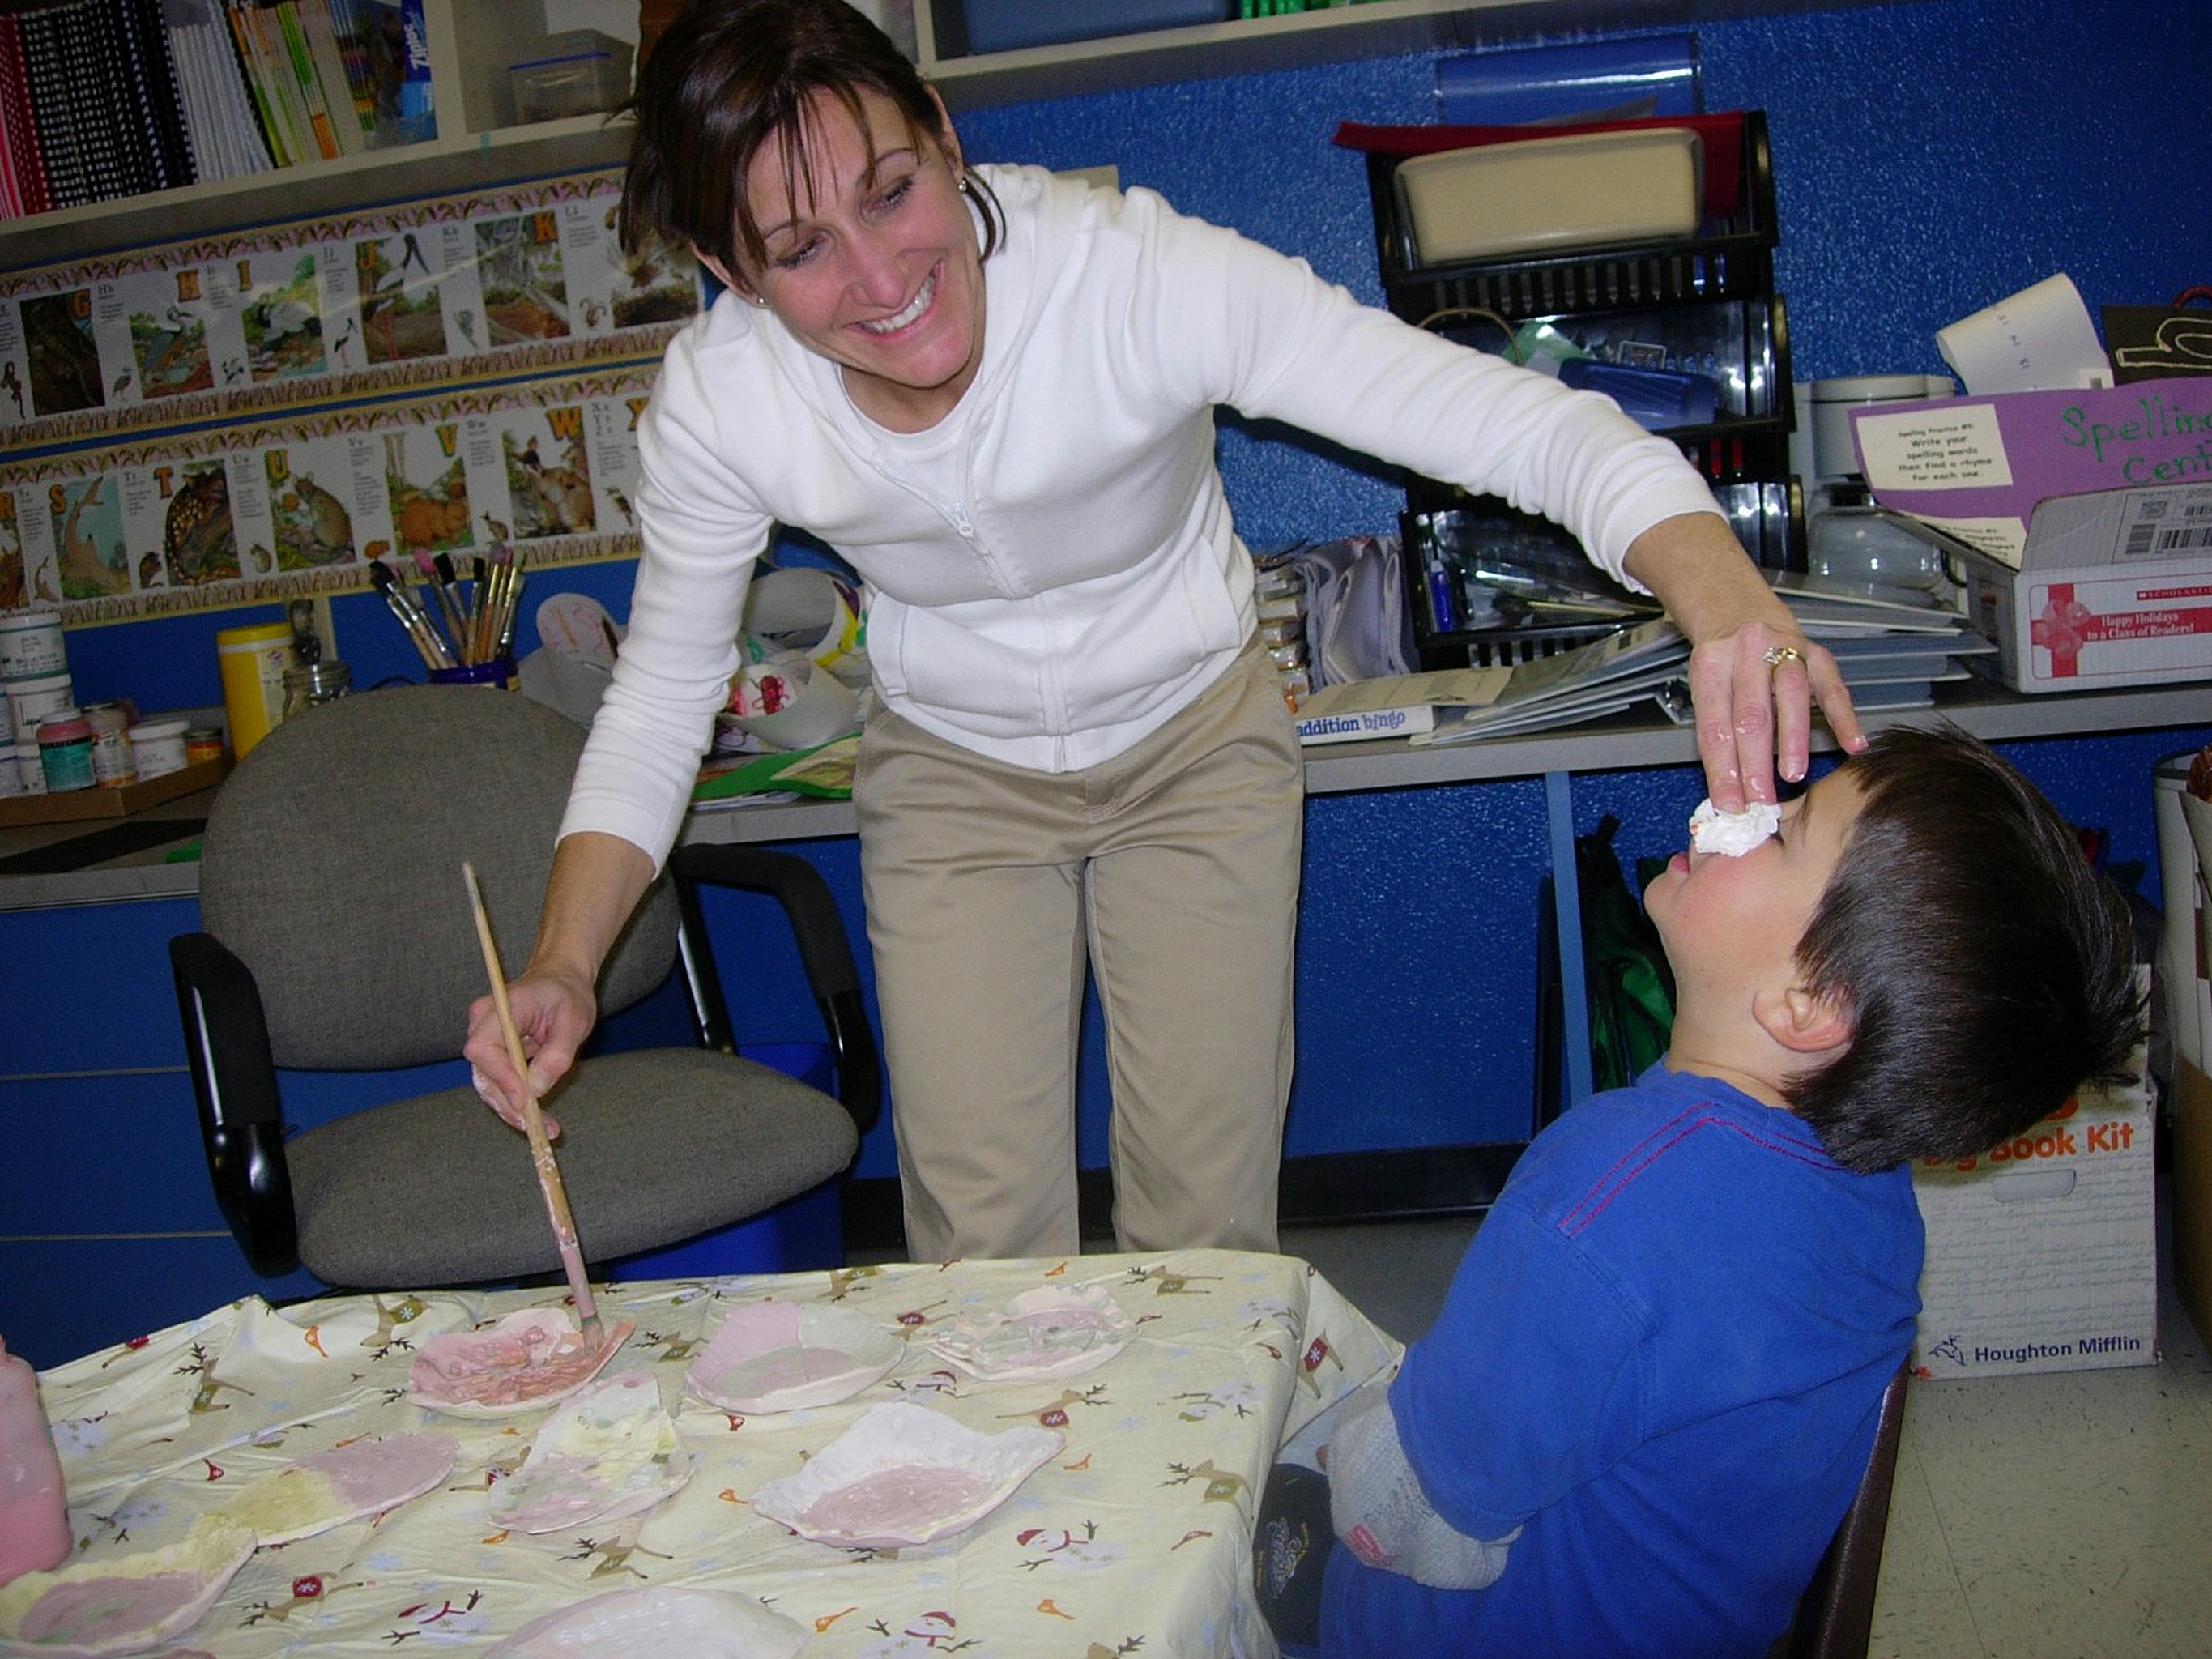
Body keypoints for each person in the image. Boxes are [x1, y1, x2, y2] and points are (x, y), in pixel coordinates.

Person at [463, 0, 1866, 1263]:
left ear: (943, 134)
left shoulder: (1129, 277)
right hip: (951, 771)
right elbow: (659, 697)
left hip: (1195, 738)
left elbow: (1509, 422)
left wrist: (1724, 596)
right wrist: (564, 961)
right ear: (726, 266)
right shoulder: (722, 404)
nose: (884, 275)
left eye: (893, 190)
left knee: (1202, 1236)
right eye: (801, 249)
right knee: (981, 1247)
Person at [1253, 723, 2142, 1658]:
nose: (1740, 805)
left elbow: (1397, 1511)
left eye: (1785, 830)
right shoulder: (1873, 1187)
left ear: (1807, 1004)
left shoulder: (1605, 1190)